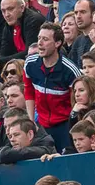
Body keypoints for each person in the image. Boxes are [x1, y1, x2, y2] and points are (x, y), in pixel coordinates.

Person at [24, 23, 82, 152]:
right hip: (41, 125)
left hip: (65, 125)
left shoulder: (70, 70)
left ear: (57, 43)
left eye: (45, 39)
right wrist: (31, 120)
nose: (40, 43)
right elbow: (29, 92)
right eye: (39, 38)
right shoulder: (30, 63)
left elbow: (79, 99)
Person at [0, 0, 45, 68]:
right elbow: (4, 52)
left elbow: (30, 53)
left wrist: (1, 61)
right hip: (20, 64)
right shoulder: (8, 25)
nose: (7, 14)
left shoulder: (34, 20)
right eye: (3, 11)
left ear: (22, 8)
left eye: (10, 9)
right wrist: (0, 61)